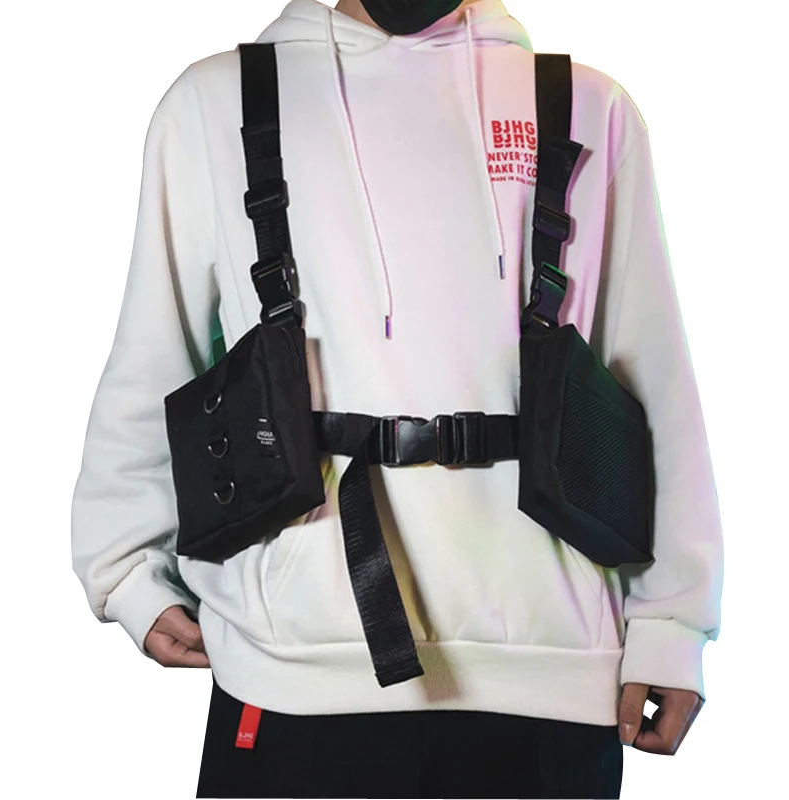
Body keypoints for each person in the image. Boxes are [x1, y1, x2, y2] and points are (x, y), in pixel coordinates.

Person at [70, 0, 724, 797]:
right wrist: (127, 572)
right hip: (290, 667)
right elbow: (155, 350)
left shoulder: (589, 108)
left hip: (550, 671)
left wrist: (673, 622)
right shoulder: (216, 103)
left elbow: (651, 375)